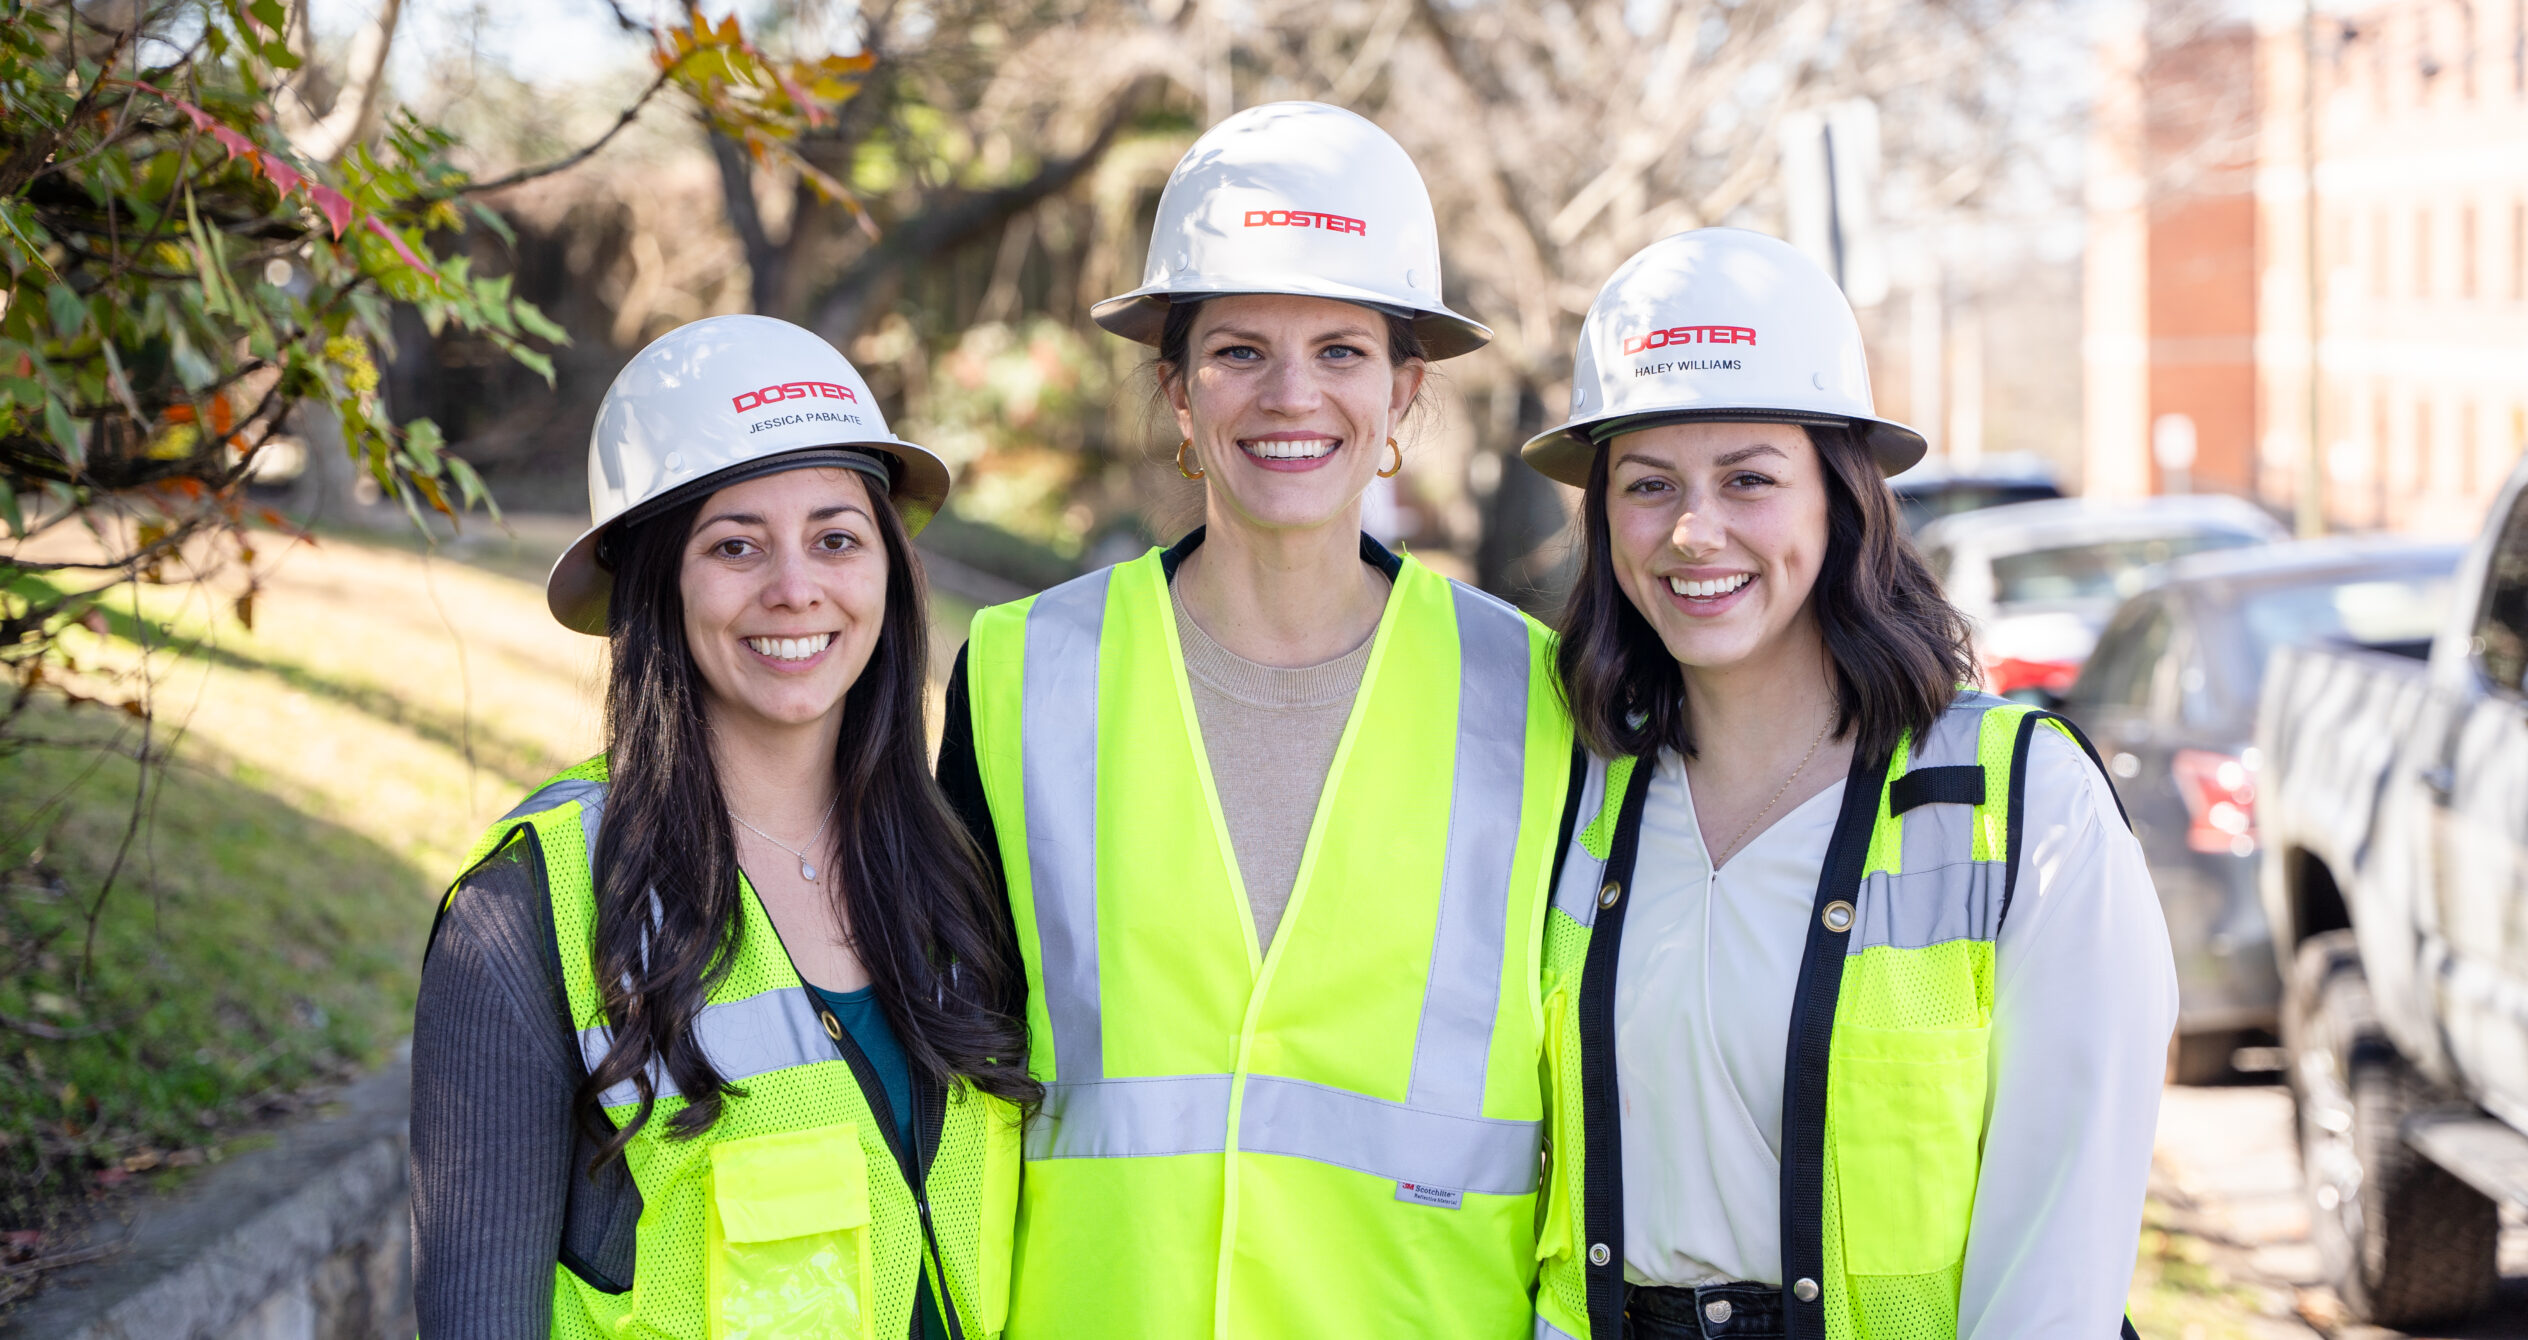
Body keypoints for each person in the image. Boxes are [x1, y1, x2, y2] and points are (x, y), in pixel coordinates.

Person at [933, 102, 1576, 1338]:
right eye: (1238, 351)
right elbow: (953, 1067)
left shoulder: (1534, 692)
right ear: (1176, 389)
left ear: (1402, 390)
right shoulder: (1022, 673)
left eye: (1340, 350)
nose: (1292, 395)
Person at [1522, 229, 2175, 1340]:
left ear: (1842, 498)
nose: (1693, 531)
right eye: (1648, 485)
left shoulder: (2019, 804)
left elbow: (2058, 1260)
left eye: (1749, 479)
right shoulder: (1571, 787)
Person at [410, 314, 1036, 1340]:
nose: (794, 589)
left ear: (887, 568)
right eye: (735, 545)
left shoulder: (952, 869)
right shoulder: (531, 907)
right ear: (654, 580)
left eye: (836, 538)